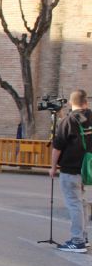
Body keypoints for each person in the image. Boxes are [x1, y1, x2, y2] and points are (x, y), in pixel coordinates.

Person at [50, 89, 92, 253]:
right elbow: (78, 124)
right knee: (81, 203)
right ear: (86, 102)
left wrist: (53, 167)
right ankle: (84, 236)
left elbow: (58, 147)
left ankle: (77, 241)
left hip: (70, 169)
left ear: (69, 103)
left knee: (74, 204)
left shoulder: (67, 121)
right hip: (86, 169)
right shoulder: (89, 115)